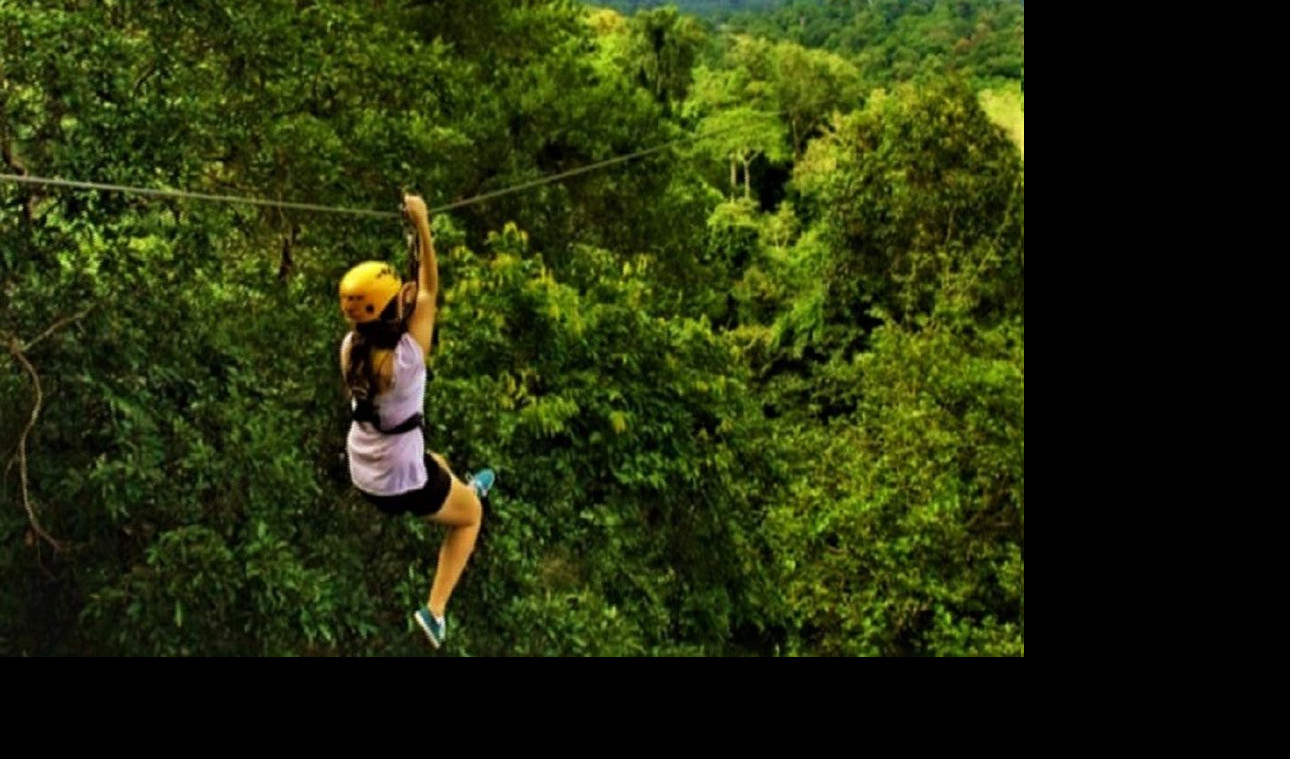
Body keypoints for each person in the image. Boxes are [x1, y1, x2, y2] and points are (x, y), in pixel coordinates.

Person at [338, 194, 493, 648]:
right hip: (397, 481)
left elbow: (408, 298)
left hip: (364, 465)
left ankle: (462, 488)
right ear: (392, 311)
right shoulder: (407, 360)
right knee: (469, 518)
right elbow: (428, 288)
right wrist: (423, 226)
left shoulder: (352, 349)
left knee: (436, 460)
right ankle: (436, 610)